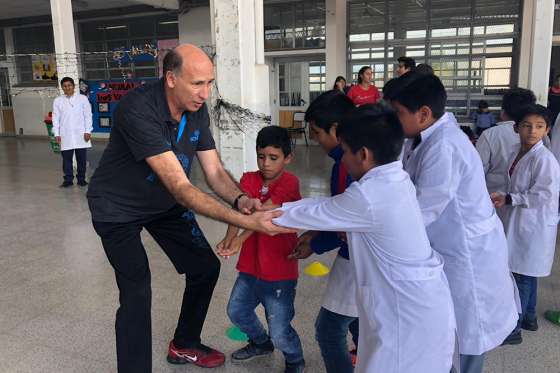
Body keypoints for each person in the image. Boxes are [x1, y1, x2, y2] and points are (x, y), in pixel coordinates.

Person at [86, 44, 290, 373]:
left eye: (209, 83)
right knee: (137, 289)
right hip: (117, 208)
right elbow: (182, 188)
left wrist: (241, 200)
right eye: (197, 83)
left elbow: (213, 171)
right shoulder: (137, 109)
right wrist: (244, 221)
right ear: (171, 78)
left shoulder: (197, 111)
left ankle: (184, 344)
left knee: (205, 268)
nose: (205, 93)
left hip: (161, 204)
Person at [274, 104, 456, 373]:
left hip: (406, 321)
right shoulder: (396, 177)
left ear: (363, 154)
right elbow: (330, 208)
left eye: (345, 151)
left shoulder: (370, 195)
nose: (342, 158)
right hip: (418, 307)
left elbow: (317, 211)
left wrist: (256, 213)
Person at [385, 72, 518, 373]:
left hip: (468, 256)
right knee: (453, 332)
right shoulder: (420, 137)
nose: (393, 120)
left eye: (398, 113)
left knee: (469, 333)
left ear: (424, 114)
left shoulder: (445, 146)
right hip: (450, 247)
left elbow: (422, 210)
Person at [217, 126, 305, 373]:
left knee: (280, 328)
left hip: (280, 270)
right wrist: (229, 239)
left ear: (288, 158)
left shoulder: (290, 183)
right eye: (261, 156)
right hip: (250, 268)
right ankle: (260, 342)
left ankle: (295, 359)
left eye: (273, 158)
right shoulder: (248, 179)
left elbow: (264, 216)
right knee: (236, 310)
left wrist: (239, 240)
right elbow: (240, 212)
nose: (266, 163)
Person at [289, 90, 359, 373]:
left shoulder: (350, 163)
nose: (315, 140)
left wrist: (316, 239)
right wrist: (315, 235)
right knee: (359, 319)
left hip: (357, 257)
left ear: (336, 129)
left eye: (317, 133)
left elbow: (349, 220)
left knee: (329, 329)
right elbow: (338, 211)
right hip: (354, 253)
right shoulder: (347, 159)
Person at [491, 104, 560, 337]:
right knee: (526, 273)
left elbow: (544, 195)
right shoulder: (515, 151)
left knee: (521, 275)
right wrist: (504, 197)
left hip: (533, 223)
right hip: (520, 220)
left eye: (539, 126)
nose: (532, 131)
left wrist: (510, 198)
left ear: (547, 130)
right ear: (515, 127)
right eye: (527, 125)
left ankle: (514, 329)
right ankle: (529, 317)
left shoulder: (544, 159)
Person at [475, 88, 542, 222]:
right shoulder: (540, 136)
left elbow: (477, 172)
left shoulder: (490, 135)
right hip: (527, 207)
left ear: (503, 112)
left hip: (494, 203)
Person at [52, 76, 93, 188]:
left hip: (81, 133)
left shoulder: (82, 99)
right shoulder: (58, 101)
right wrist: (57, 133)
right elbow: (55, 118)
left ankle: (81, 179)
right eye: (65, 86)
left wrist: (88, 131)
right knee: (66, 159)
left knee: (81, 159)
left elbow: (88, 116)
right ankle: (68, 180)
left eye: (69, 85)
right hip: (65, 134)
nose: (67, 88)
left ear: (73, 86)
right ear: (62, 88)